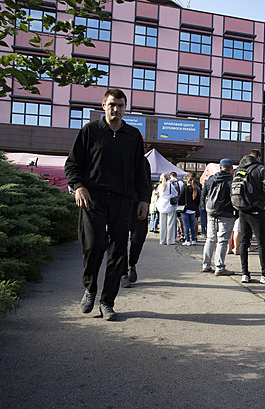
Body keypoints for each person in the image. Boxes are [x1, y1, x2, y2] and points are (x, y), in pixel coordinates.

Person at [64, 88, 150, 321]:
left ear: (125, 108)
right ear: (103, 106)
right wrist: (78, 186)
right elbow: (72, 165)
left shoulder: (133, 136)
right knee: (93, 246)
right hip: (93, 199)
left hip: (123, 201)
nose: (116, 109)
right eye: (112, 104)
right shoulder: (89, 132)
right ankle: (90, 288)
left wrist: (144, 199)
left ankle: (107, 302)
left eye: (121, 105)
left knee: (118, 251)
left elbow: (140, 172)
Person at [236, 149, 265, 284]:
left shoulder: (239, 168)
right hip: (256, 207)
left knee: (244, 241)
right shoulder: (260, 169)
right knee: (261, 241)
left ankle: (245, 273)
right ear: (259, 157)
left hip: (242, 208)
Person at [201, 158, 236, 276]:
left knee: (210, 239)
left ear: (220, 168)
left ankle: (206, 265)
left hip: (211, 211)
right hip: (227, 213)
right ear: (231, 169)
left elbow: (204, 195)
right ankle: (220, 267)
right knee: (222, 240)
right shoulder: (232, 181)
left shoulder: (211, 179)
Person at [121, 157, 152, 288]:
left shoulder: (142, 160)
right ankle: (122, 273)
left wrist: (145, 200)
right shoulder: (114, 154)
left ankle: (132, 263)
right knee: (119, 240)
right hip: (119, 204)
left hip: (137, 203)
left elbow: (146, 182)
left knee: (138, 237)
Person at [178, 173, 201, 246]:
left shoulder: (185, 188)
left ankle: (187, 240)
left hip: (185, 209)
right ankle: (193, 240)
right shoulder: (196, 189)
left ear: (187, 181)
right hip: (193, 209)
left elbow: (180, 198)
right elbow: (198, 200)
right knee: (192, 225)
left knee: (186, 225)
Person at [156, 172, 178, 245]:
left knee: (162, 224)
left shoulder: (159, 186)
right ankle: (170, 240)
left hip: (161, 205)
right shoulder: (170, 185)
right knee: (170, 224)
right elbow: (176, 194)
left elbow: (158, 194)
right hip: (170, 205)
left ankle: (162, 240)